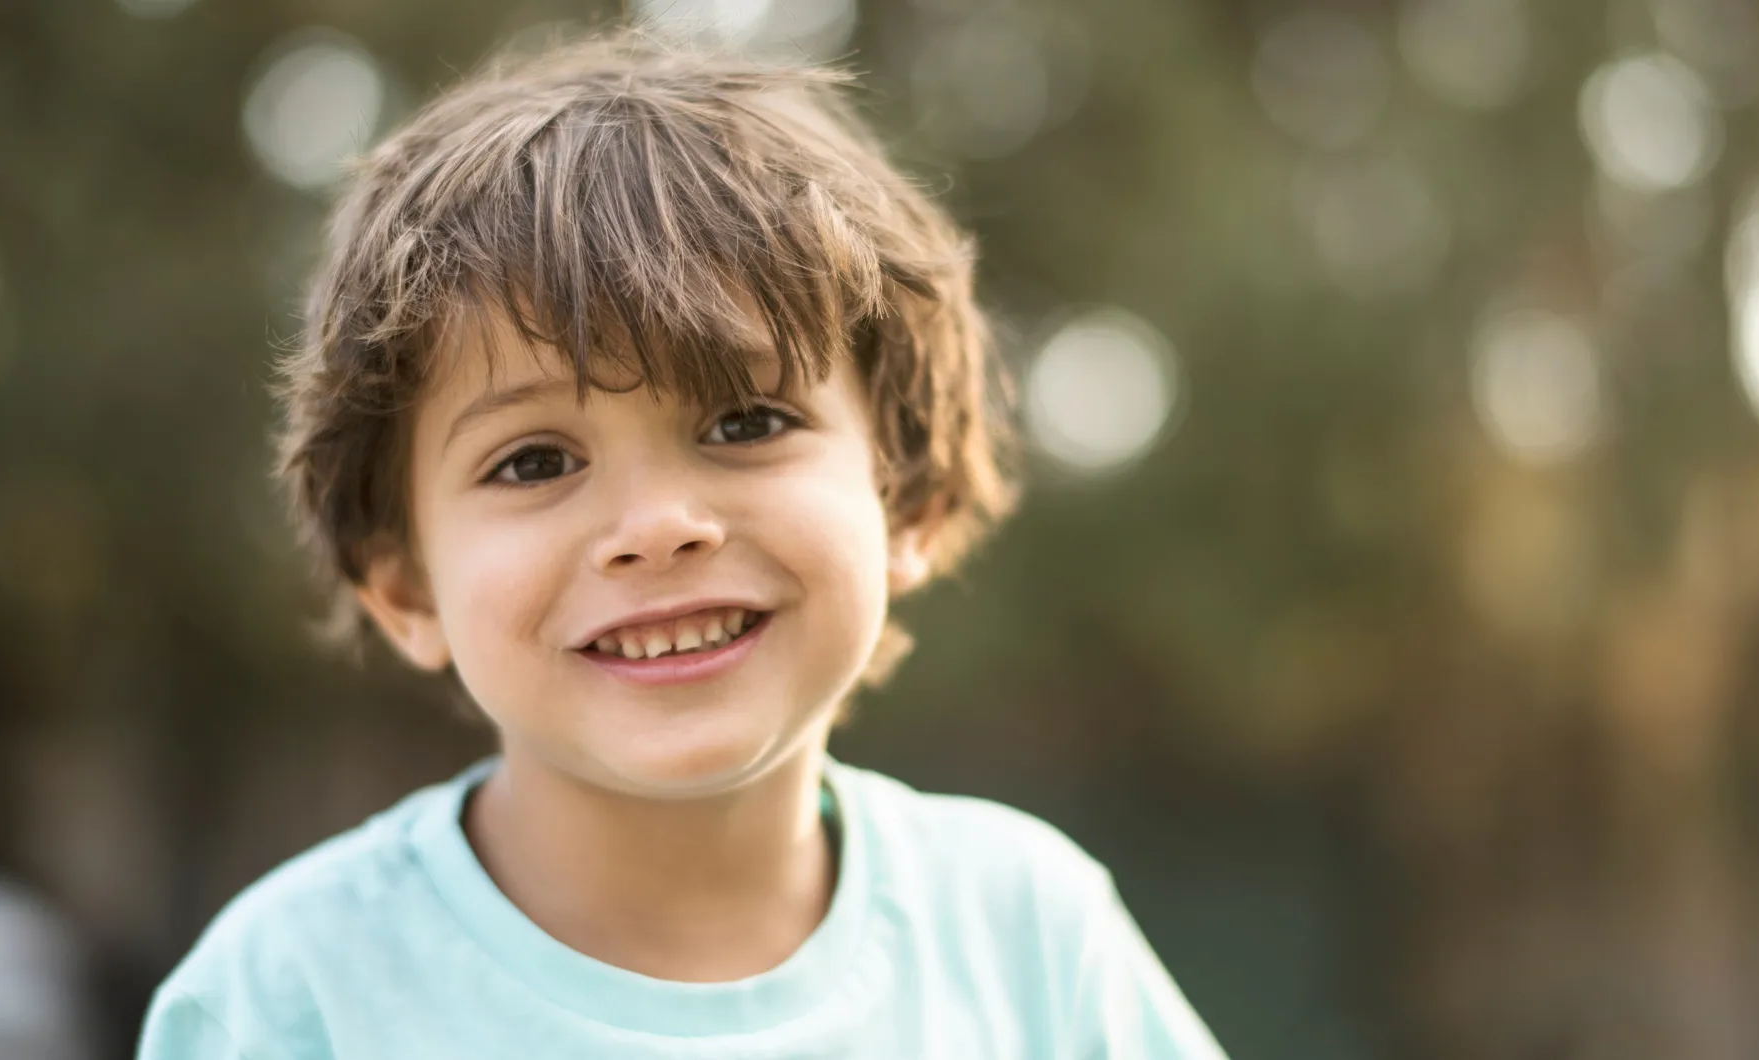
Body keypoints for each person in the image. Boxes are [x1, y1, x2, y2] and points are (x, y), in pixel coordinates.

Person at [137, 28, 1225, 1059]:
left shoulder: (1028, 933)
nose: (658, 527)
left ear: (907, 502)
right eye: (533, 461)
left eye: (743, 424)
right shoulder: (292, 994)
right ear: (402, 588)